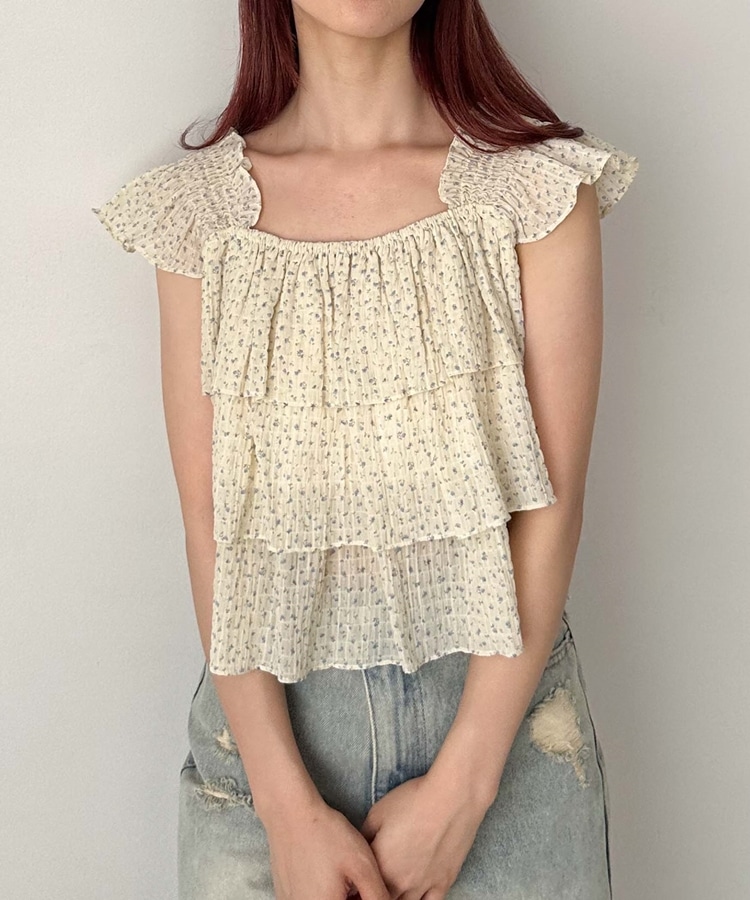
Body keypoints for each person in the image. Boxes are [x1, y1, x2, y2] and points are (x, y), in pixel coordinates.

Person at [92, 0, 639, 896]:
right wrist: (286, 811)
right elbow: (211, 526)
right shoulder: (200, 215)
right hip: (268, 753)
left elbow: (552, 508)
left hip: (504, 740)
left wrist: (464, 788)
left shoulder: (535, 192)